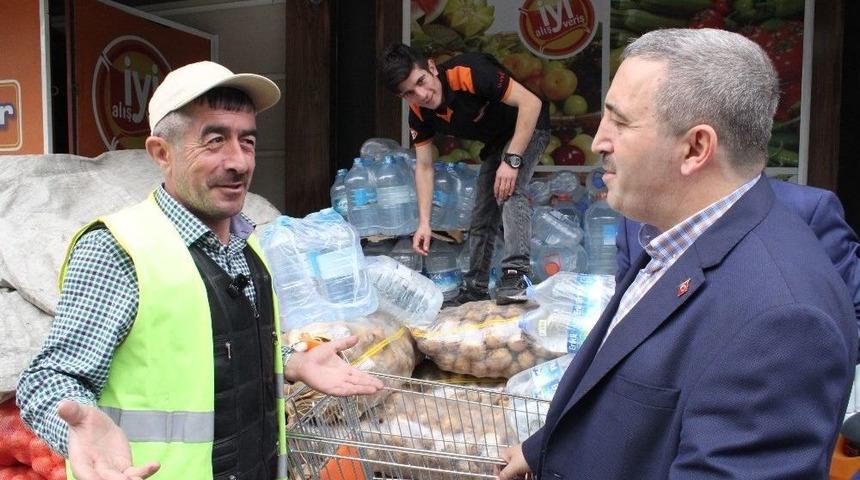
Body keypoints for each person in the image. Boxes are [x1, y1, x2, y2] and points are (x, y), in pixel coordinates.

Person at [498, 28, 857, 480]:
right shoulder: (671, 231)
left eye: (620, 121)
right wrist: (545, 449)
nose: (597, 142)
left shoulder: (783, 322)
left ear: (695, 148)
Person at [16, 61, 383, 480]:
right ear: (161, 153)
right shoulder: (118, 250)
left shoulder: (250, 248)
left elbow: (213, 346)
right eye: (214, 141)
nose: (239, 162)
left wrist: (291, 362)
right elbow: (49, 377)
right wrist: (75, 431)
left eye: (247, 141)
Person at [380, 43, 550, 305]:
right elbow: (424, 167)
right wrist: (424, 223)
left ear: (432, 67)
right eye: (409, 93)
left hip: (529, 125)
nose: (422, 95)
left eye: (422, 81)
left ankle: (517, 275)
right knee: (482, 213)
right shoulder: (418, 113)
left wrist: (512, 159)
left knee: (509, 189)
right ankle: (475, 289)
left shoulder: (470, 72)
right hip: (497, 142)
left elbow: (531, 102)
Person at [618, 179, 860, 350]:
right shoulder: (635, 219)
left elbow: (855, 316)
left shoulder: (808, 208)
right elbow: (622, 320)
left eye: (624, 124)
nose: (602, 143)